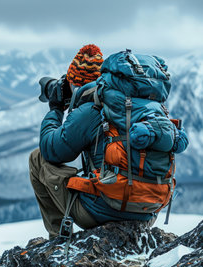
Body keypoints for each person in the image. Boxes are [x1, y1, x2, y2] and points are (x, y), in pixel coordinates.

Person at [29, 45, 187, 240]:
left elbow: (51, 150)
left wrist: (55, 108)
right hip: (147, 213)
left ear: (75, 85)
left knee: (37, 158)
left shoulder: (90, 110)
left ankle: (58, 239)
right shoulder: (139, 106)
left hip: (104, 212)